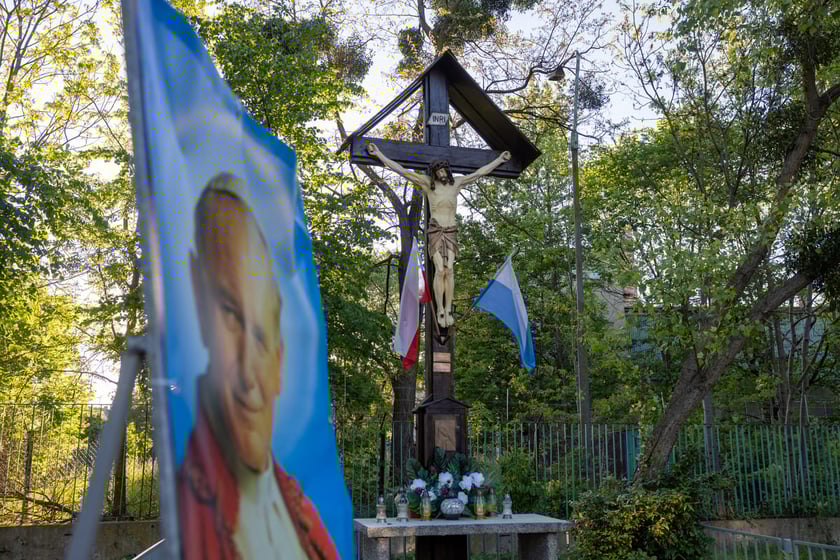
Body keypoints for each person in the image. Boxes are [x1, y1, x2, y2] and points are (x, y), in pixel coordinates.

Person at [176, 173, 337, 560]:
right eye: (231, 314)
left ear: (280, 361)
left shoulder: (304, 514)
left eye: (263, 338)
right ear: (198, 298)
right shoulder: (193, 509)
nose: (250, 377)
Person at [367, 143, 511, 327]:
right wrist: (379, 154)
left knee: (449, 270)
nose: (442, 174)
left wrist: (499, 159)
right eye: (438, 172)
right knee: (440, 270)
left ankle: (448, 307)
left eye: (444, 171)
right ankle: (440, 310)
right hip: (435, 231)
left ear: (447, 171)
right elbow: (402, 171)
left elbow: (479, 173)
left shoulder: (456, 183)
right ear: (434, 174)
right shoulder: (428, 184)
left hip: (450, 231)